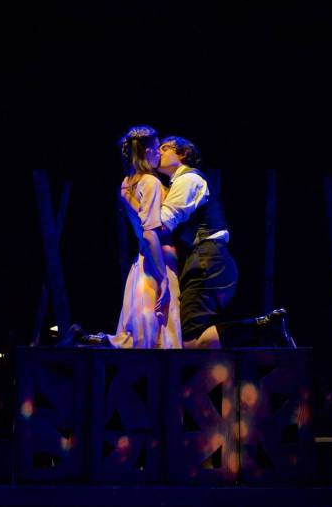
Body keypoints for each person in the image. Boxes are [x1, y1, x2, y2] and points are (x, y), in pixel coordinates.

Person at [155, 137, 290, 348]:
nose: (159, 151)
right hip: (209, 260)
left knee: (189, 340)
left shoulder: (188, 179)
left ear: (183, 154)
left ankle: (264, 328)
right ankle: (262, 330)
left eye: (164, 148)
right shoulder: (181, 182)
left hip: (207, 260)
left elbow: (162, 224)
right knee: (191, 340)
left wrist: (134, 202)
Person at [110, 126, 182, 348]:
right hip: (156, 261)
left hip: (142, 262)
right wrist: (163, 278)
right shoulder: (150, 182)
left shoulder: (127, 183)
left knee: (140, 331)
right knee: (157, 335)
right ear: (148, 151)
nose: (160, 152)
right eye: (157, 147)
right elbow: (150, 233)